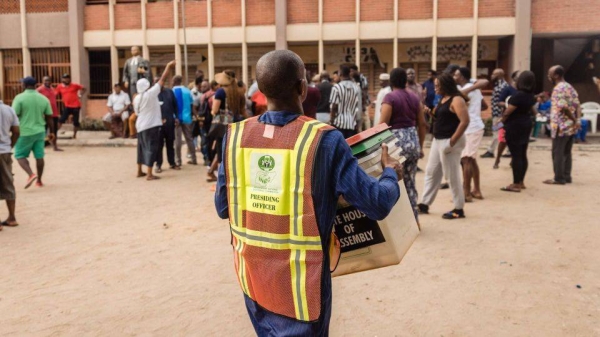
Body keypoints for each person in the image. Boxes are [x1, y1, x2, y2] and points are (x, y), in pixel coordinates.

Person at [214, 49, 403, 336]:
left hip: (254, 279)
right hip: (301, 285)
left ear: (261, 91)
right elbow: (377, 203)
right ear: (302, 87)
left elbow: (223, 207)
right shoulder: (324, 140)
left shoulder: (235, 136)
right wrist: (390, 173)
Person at [418, 73, 470, 219]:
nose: (434, 88)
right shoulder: (444, 99)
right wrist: (431, 113)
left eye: (437, 85)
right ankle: (425, 203)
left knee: (451, 175)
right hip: (438, 140)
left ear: (445, 85)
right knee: (432, 171)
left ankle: (459, 208)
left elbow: (464, 121)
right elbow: (444, 118)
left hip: (449, 141)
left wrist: (452, 141)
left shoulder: (457, 99)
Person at [379, 67, 427, 225]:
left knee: (395, 181)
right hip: (412, 140)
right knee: (410, 182)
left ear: (391, 81)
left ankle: (399, 223)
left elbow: (383, 124)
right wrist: (420, 146)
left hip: (396, 143)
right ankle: (415, 220)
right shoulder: (414, 97)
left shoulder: (390, 97)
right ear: (405, 80)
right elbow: (422, 123)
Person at [133, 60, 175, 181]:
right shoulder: (151, 94)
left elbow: (137, 113)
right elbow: (162, 79)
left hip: (140, 126)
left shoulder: (137, 98)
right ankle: (149, 174)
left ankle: (139, 170)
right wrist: (168, 66)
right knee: (152, 148)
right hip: (151, 126)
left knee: (141, 148)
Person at [11, 77, 55, 188]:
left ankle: (31, 174)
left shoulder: (19, 98)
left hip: (24, 132)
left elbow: (13, 115)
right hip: (40, 132)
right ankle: (39, 181)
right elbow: (49, 117)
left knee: (19, 155)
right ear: (36, 85)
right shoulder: (43, 99)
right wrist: (52, 132)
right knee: (39, 156)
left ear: (24, 85)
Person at [497, 71, 537, 192]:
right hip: (526, 124)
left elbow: (508, 112)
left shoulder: (518, 95)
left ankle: (515, 183)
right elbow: (533, 111)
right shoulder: (531, 96)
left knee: (516, 155)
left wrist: (498, 125)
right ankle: (521, 181)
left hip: (514, 126)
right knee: (522, 154)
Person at [544, 65, 581, 185]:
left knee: (557, 152)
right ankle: (566, 176)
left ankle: (559, 178)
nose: (548, 76)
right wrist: (577, 120)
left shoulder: (558, 89)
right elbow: (577, 104)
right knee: (567, 152)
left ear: (556, 75)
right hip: (570, 126)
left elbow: (563, 108)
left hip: (561, 126)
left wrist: (574, 120)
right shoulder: (569, 87)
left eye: (550, 73)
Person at [454, 67, 487, 202]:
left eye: (456, 75)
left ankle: (466, 193)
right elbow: (484, 105)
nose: (454, 77)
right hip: (474, 126)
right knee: (471, 160)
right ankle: (476, 190)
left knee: (466, 159)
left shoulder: (467, 89)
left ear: (462, 77)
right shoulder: (474, 88)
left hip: (471, 128)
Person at [206, 70, 245, 182]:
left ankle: (221, 178)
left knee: (220, 150)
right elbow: (242, 110)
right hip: (236, 125)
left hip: (222, 126)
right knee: (230, 151)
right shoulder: (238, 91)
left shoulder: (220, 92)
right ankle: (211, 172)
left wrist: (213, 112)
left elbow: (215, 110)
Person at [0, 96, 20, 229]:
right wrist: (10, 145)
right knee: (8, 183)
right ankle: (12, 217)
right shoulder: (9, 109)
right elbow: (16, 131)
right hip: (5, 152)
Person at [481, 68, 509, 158]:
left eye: (494, 74)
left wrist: (502, 115)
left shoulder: (502, 87)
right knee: (502, 132)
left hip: (499, 115)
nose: (492, 76)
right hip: (497, 114)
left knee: (496, 132)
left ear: (500, 75)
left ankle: (491, 151)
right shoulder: (498, 85)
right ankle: (509, 151)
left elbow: (505, 101)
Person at [330, 65, 362, 138]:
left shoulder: (336, 88)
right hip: (352, 123)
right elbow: (358, 106)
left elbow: (334, 106)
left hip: (338, 123)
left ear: (340, 74)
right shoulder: (356, 87)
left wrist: (331, 122)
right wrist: (358, 122)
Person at [172, 75, 197, 166]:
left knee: (178, 140)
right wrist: (195, 116)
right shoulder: (188, 91)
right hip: (187, 118)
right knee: (189, 139)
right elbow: (192, 105)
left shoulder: (173, 91)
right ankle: (194, 158)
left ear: (174, 81)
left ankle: (178, 161)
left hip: (176, 119)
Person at [156, 82, 179, 172]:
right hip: (157, 123)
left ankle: (172, 163)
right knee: (159, 145)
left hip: (169, 122)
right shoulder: (152, 94)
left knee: (170, 144)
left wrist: (176, 117)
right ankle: (158, 164)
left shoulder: (169, 92)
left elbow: (175, 105)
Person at [55, 74, 85, 139]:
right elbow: (55, 93)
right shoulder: (59, 86)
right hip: (67, 106)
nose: (66, 79)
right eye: (64, 78)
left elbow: (83, 88)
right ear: (62, 79)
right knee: (61, 119)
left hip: (76, 106)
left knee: (75, 122)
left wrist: (80, 95)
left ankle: (74, 135)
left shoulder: (74, 85)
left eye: (67, 78)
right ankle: (55, 134)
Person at [36, 76, 61, 151]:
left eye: (49, 80)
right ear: (42, 81)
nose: (47, 82)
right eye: (45, 80)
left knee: (54, 131)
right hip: (44, 114)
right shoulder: (39, 90)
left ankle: (55, 146)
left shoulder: (52, 89)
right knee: (43, 131)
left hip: (54, 113)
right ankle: (40, 147)